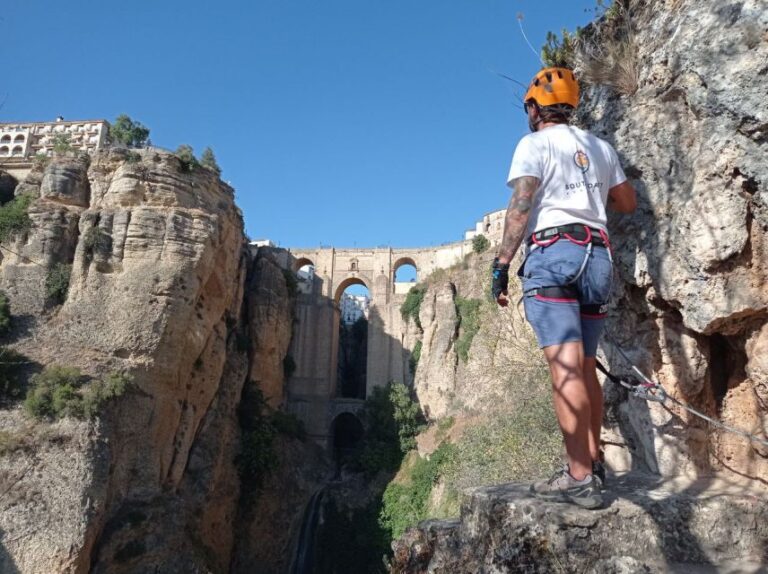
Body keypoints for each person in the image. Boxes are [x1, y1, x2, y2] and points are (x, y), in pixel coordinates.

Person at [492, 67, 636, 509]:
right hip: (597, 258)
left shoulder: (533, 144)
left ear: (535, 107)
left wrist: (501, 263)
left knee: (565, 369)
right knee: (586, 366)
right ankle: (591, 465)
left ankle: (577, 477)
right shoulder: (600, 147)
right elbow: (626, 202)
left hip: (554, 253)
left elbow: (521, 205)